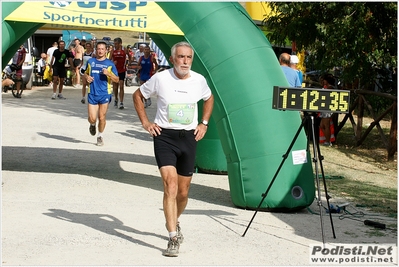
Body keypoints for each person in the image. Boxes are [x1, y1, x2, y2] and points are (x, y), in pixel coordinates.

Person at [133, 41, 214, 257]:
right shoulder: (161, 78)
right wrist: (146, 123)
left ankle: (175, 221)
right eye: (181, 57)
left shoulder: (199, 80)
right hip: (164, 137)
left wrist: (204, 123)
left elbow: (209, 98)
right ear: (172, 59)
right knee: (170, 185)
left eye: (188, 57)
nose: (185, 61)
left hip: (188, 137)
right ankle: (172, 237)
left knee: (183, 192)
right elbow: (138, 95)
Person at [82, 41, 119, 146]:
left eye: (103, 49)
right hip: (92, 93)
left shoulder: (110, 64)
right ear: (96, 50)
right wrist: (87, 77)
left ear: (106, 50)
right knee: (92, 118)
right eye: (99, 49)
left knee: (102, 117)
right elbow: (83, 72)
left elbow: (117, 79)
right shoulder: (91, 61)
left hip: (105, 93)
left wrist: (109, 74)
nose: (100, 51)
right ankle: (92, 124)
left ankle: (100, 136)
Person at [111, 37, 130, 109]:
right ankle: (116, 99)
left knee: (121, 85)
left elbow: (130, 57)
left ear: (120, 43)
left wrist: (129, 62)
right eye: (114, 43)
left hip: (122, 70)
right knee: (115, 87)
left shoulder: (124, 50)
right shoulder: (113, 51)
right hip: (115, 71)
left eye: (116, 44)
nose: (115, 45)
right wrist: (113, 62)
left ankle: (121, 102)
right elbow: (109, 61)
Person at [319, 73, 336, 146]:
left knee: (326, 125)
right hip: (324, 108)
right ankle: (327, 139)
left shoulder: (330, 88)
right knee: (321, 125)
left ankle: (328, 141)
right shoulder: (326, 87)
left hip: (327, 109)